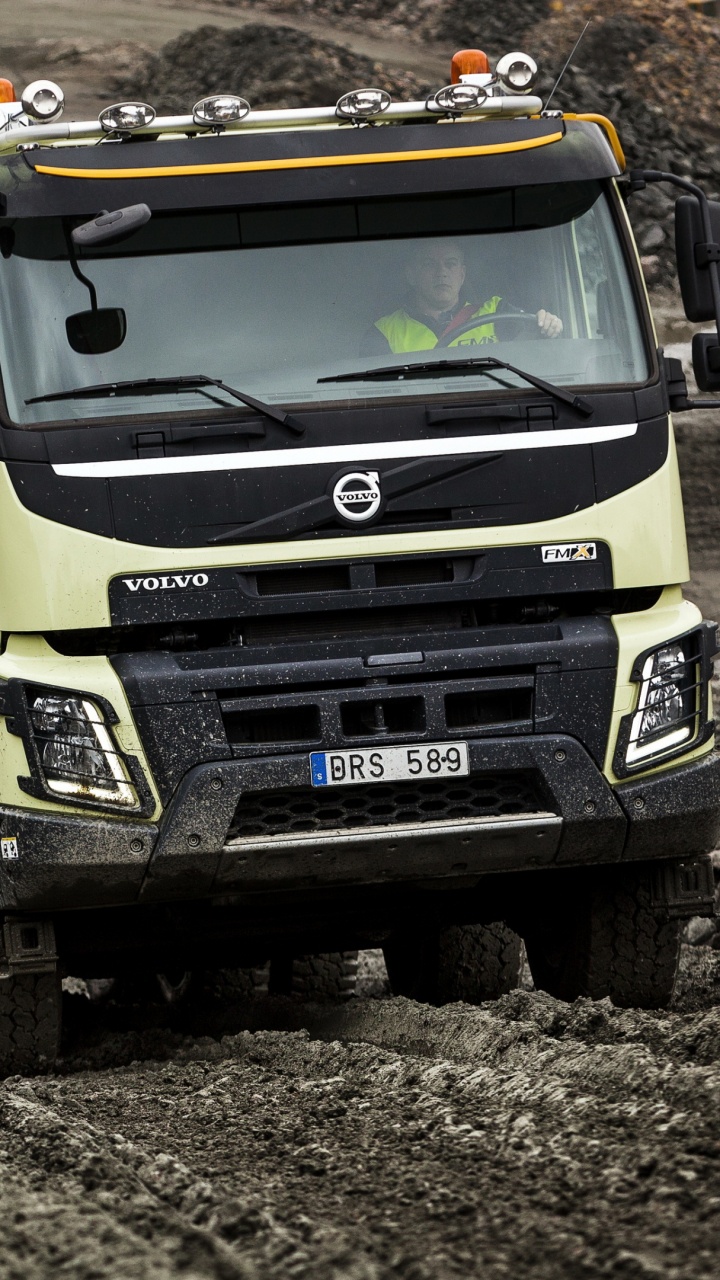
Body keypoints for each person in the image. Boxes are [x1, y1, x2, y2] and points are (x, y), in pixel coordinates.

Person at [361, 238, 563, 356]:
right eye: (430, 264)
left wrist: (546, 327)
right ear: (411, 275)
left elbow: (528, 352)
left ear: (462, 275)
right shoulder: (384, 332)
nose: (442, 272)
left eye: (450, 264)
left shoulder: (496, 311)